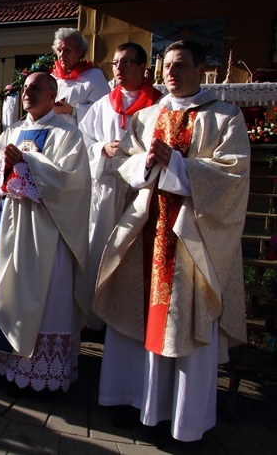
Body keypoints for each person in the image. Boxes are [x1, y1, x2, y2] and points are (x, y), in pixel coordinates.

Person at [92, 40, 250, 442]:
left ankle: (184, 420)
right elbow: (126, 163)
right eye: (166, 66)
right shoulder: (146, 116)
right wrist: (147, 162)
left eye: (181, 66)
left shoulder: (226, 117)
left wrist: (177, 164)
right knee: (134, 316)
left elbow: (233, 177)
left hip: (191, 241)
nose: (171, 73)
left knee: (182, 320)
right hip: (146, 231)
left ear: (202, 69)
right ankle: (133, 400)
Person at [0, 71, 91, 392]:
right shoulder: (12, 130)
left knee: (45, 292)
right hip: (7, 224)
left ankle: (35, 372)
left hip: (45, 232)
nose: (28, 93)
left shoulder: (68, 134)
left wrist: (27, 164)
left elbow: (72, 183)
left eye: (36, 88)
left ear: (52, 95)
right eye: (25, 88)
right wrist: (4, 166)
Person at [78, 42, 162, 328]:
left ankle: (127, 319)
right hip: (107, 190)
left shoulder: (158, 105)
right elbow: (82, 143)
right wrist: (102, 148)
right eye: (115, 63)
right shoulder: (103, 105)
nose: (119, 68)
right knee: (98, 248)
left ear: (143, 68)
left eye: (126, 62)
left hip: (141, 194)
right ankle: (93, 318)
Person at [51, 28, 110, 124]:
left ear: (79, 52)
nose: (62, 55)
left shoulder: (94, 77)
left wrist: (72, 111)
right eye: (59, 50)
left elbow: (103, 112)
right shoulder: (52, 78)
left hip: (79, 136)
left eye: (67, 50)